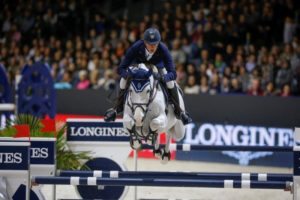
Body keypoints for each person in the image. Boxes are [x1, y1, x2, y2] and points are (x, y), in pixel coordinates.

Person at [104, 27, 192, 125]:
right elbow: (120, 68)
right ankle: (116, 109)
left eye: (155, 44)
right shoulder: (136, 47)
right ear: (144, 42)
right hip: (138, 68)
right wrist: (127, 75)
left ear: (159, 43)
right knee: (123, 80)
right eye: (150, 44)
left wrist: (164, 78)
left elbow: (173, 73)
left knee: (170, 83)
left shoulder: (163, 49)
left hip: (157, 69)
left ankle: (180, 112)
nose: (152, 47)